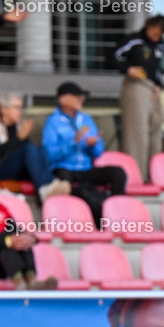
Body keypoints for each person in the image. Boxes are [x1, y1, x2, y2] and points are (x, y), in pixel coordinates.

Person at [41, 81, 127, 225]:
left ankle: (115, 211)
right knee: (66, 182)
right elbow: (49, 155)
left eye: (81, 96)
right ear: (63, 99)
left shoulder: (86, 119)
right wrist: (73, 142)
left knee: (118, 173)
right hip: (65, 169)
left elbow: (98, 152)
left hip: (86, 169)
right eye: (76, 96)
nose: (81, 99)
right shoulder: (53, 122)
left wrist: (92, 145)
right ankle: (97, 215)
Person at [113, 15, 164, 181]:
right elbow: (113, 55)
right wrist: (127, 69)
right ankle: (136, 178)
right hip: (136, 86)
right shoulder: (134, 40)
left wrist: (159, 85)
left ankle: (154, 179)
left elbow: (157, 68)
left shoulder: (160, 45)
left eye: (160, 34)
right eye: (155, 32)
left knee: (155, 133)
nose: (156, 36)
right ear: (148, 26)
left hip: (152, 89)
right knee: (137, 135)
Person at [0, 92, 70, 201]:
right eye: (17, 108)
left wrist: (21, 137)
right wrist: (19, 138)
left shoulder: (18, 126)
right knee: (28, 148)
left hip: (18, 169)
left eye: (21, 108)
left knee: (40, 149)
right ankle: (45, 188)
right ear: (4, 109)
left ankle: (49, 184)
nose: (20, 112)